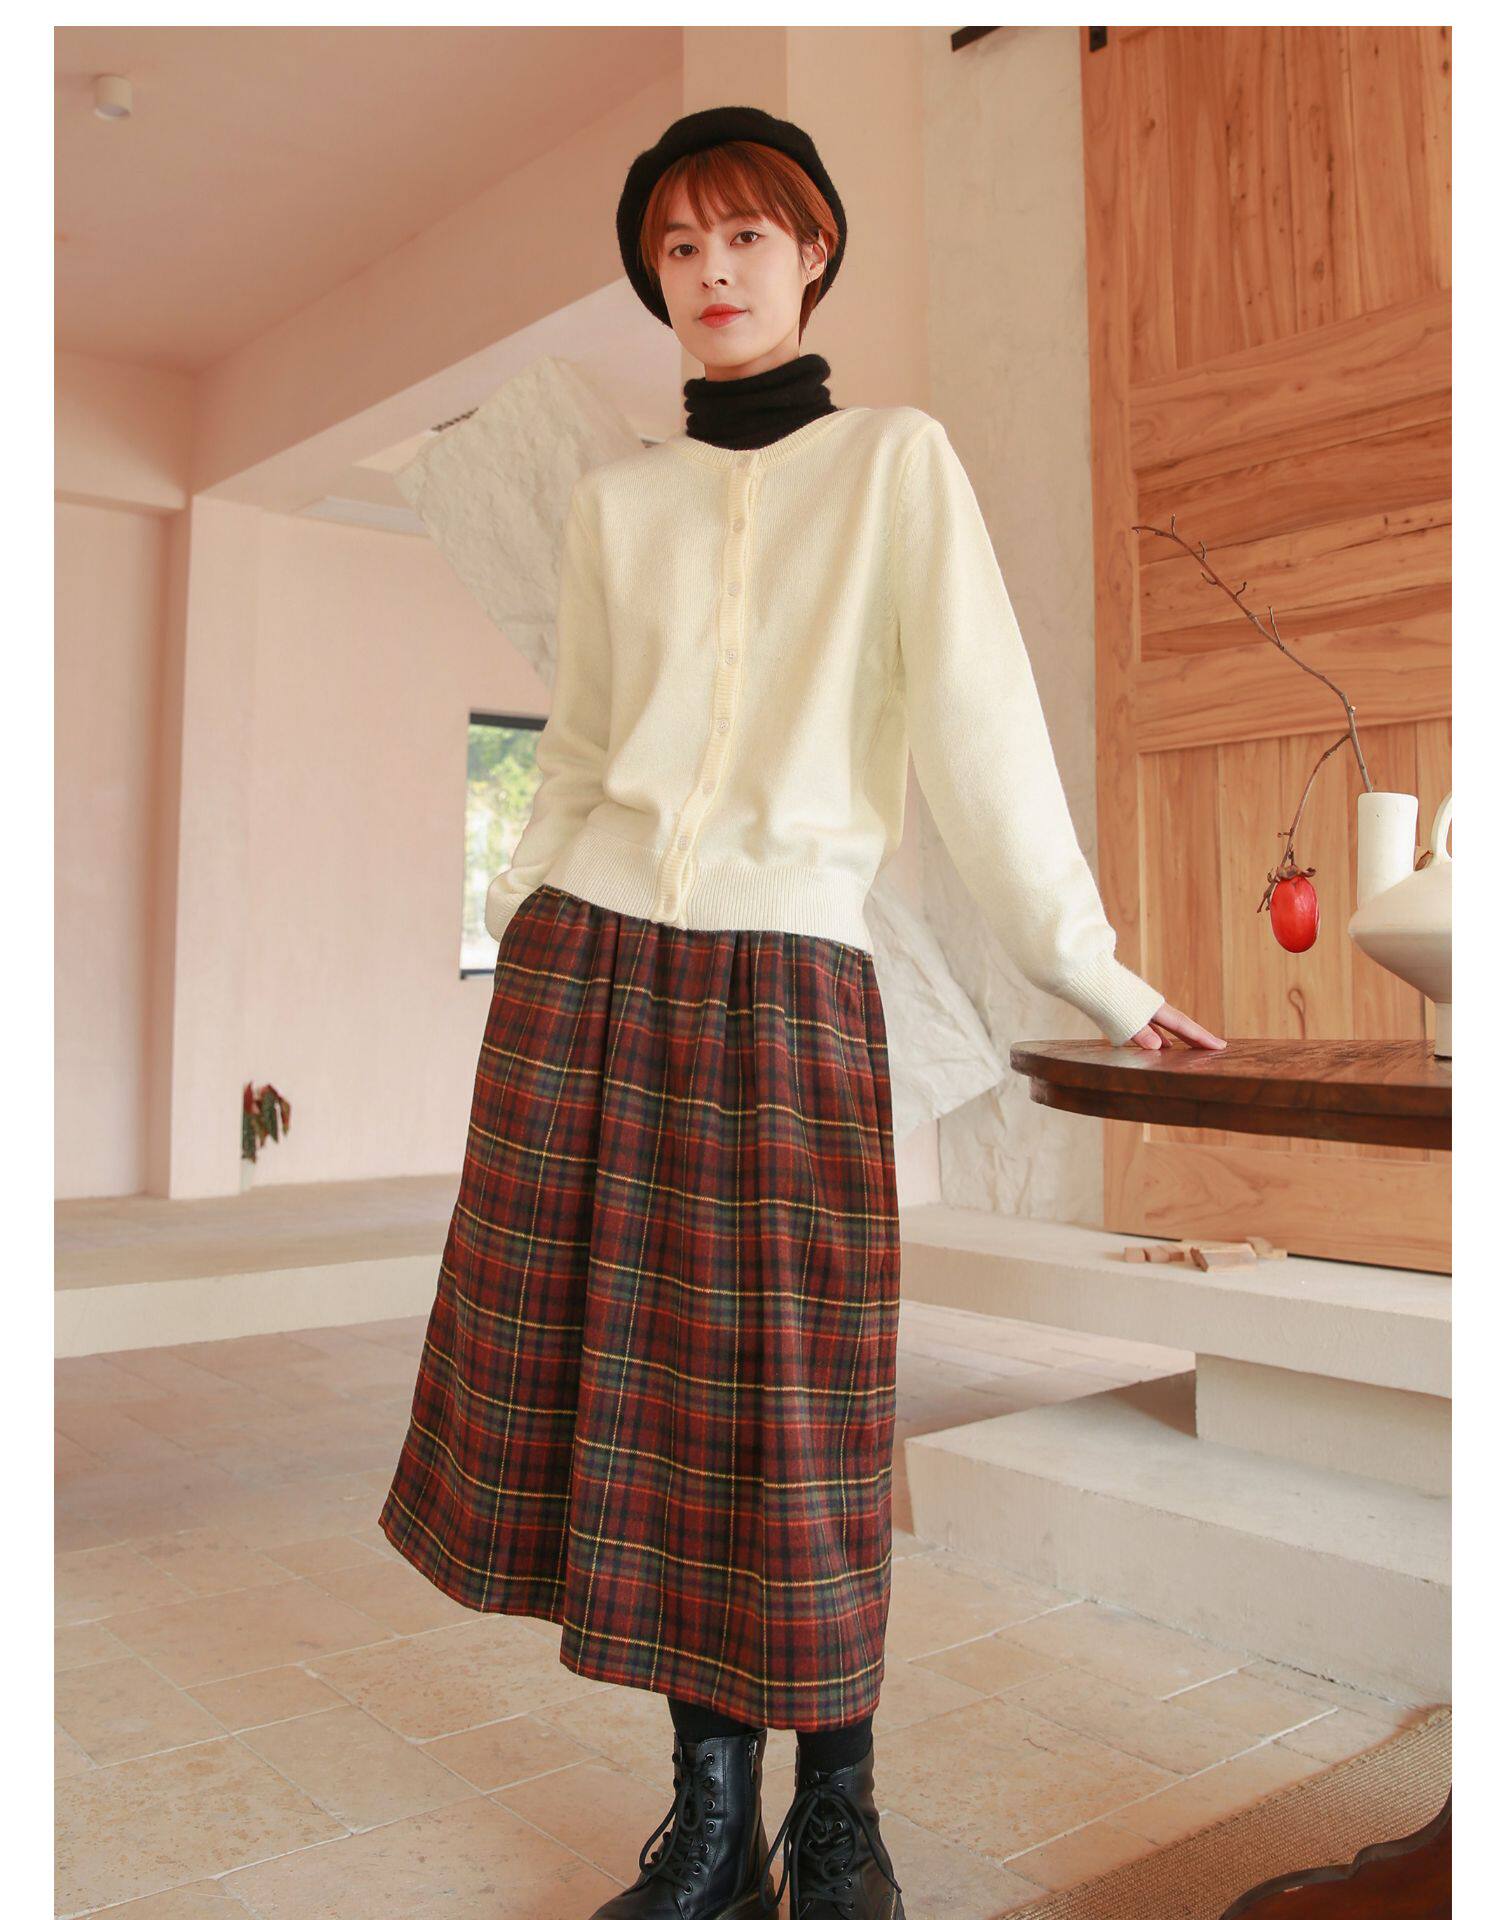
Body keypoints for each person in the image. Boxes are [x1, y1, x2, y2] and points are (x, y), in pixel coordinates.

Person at [379, 104, 1226, 1920]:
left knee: (804, 1407)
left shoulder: (897, 465)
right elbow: (582, 753)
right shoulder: (617, 504)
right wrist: (524, 918)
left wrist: (1093, 967)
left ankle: (838, 1813)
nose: (712, 274)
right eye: (678, 250)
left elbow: (983, 733)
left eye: (745, 237)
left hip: (788, 978)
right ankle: (711, 1824)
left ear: (813, 249)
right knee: (649, 1407)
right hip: (596, 964)